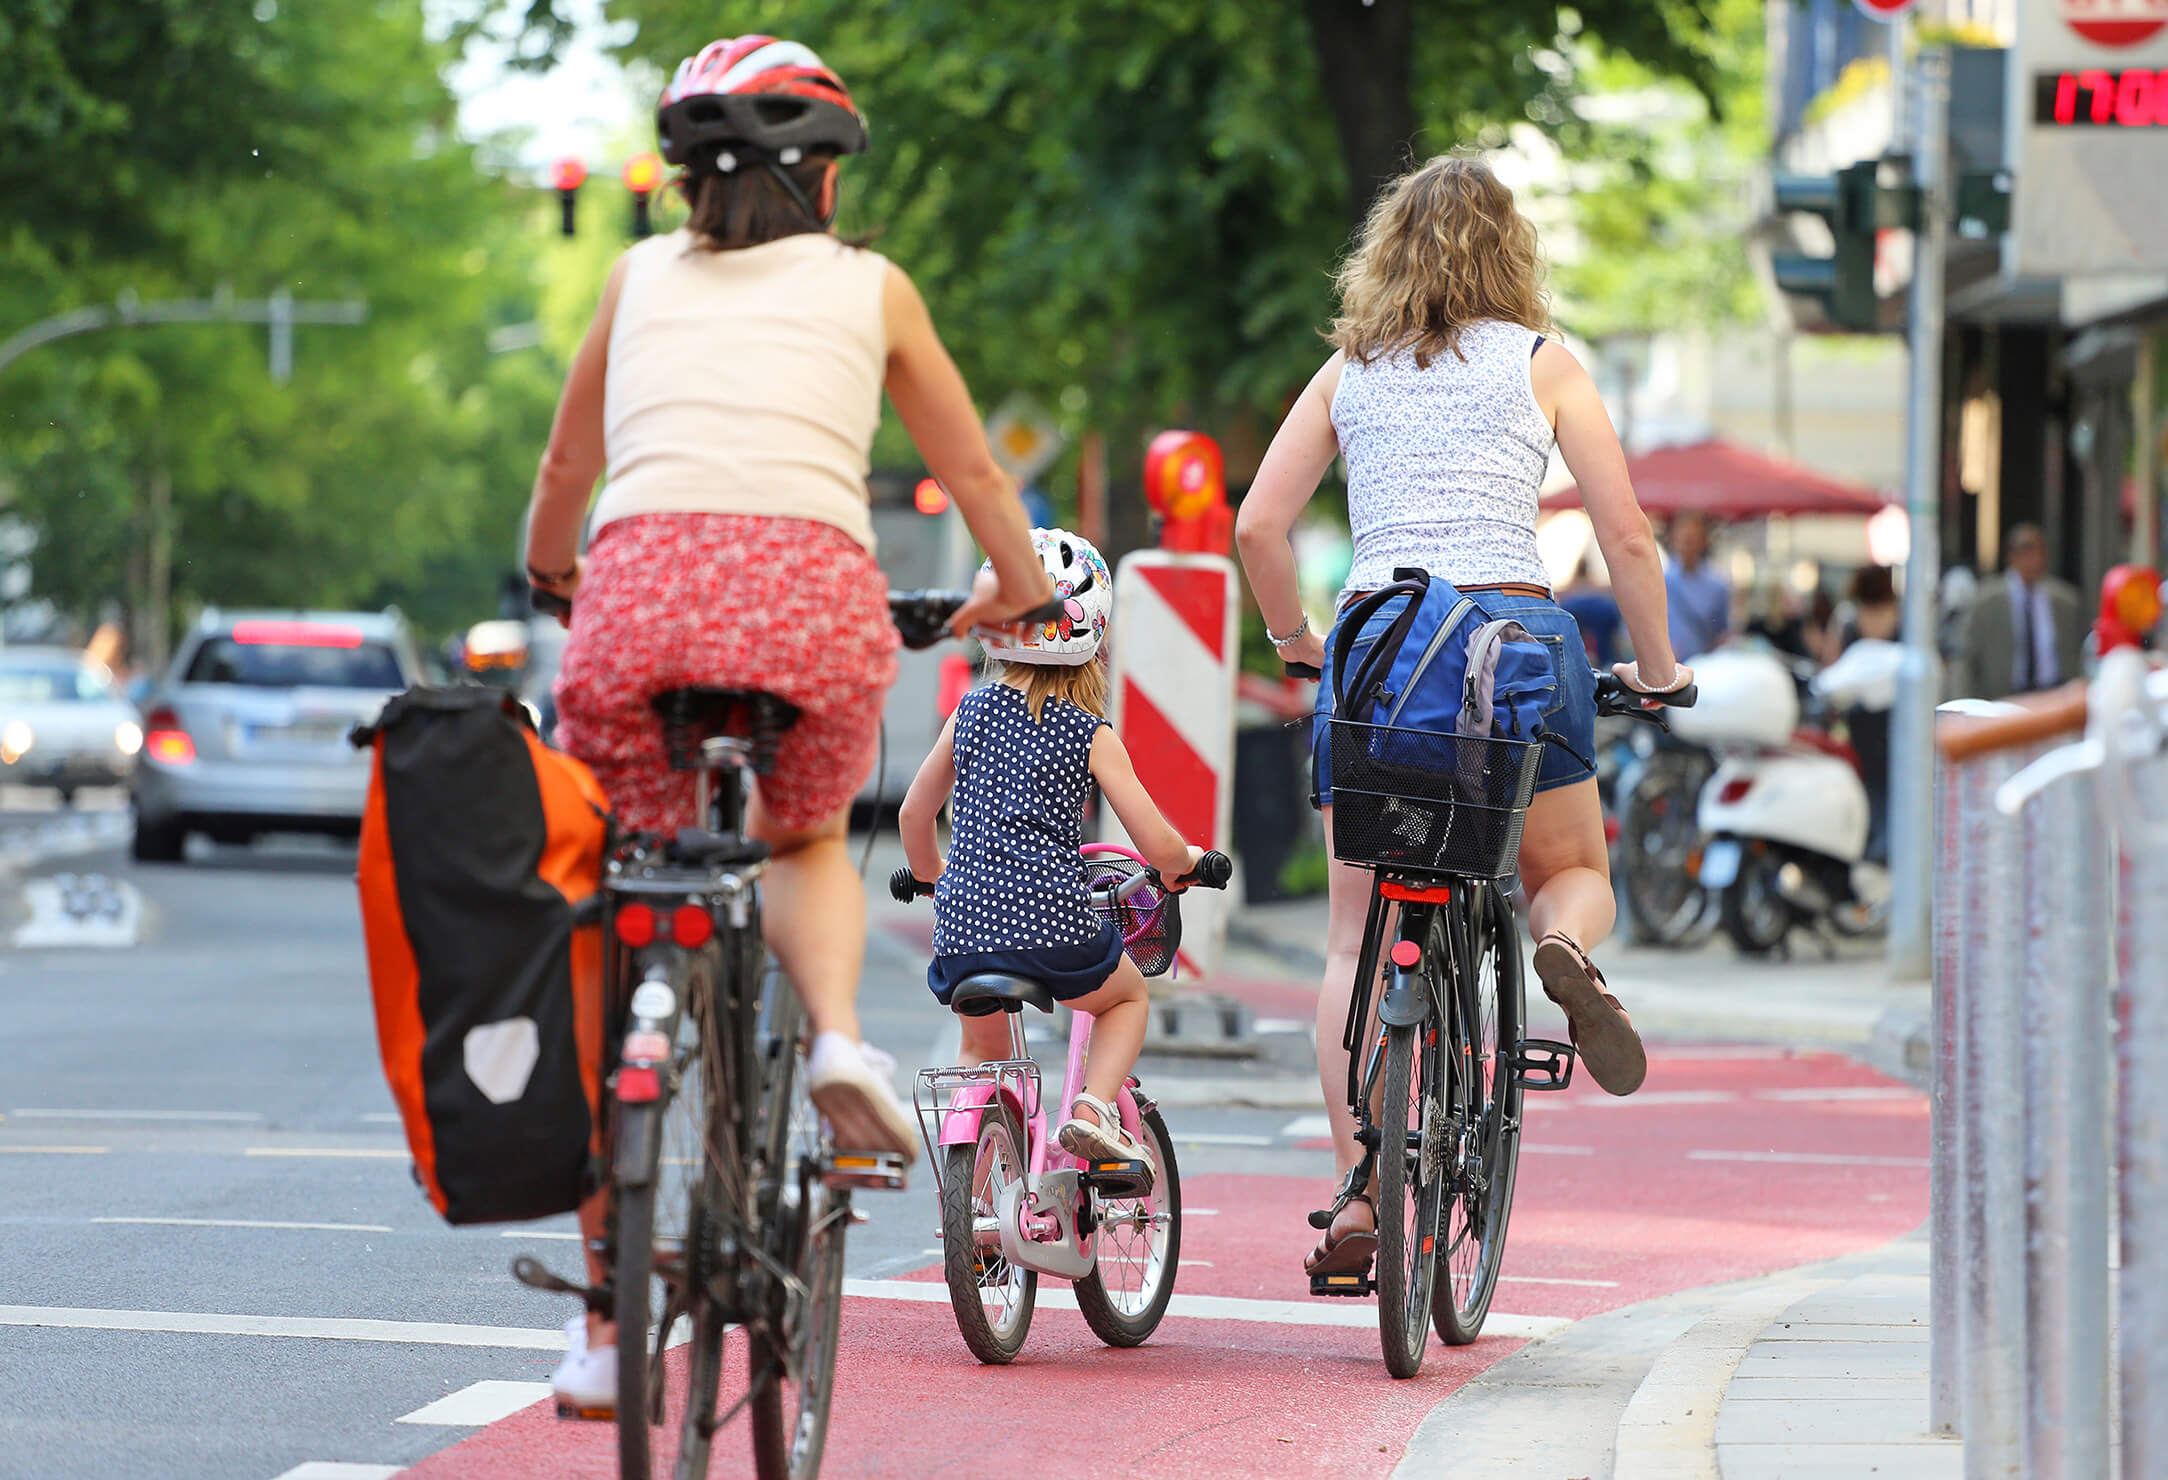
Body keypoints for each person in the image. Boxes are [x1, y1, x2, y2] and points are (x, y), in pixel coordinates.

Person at [520, 34, 1051, 1412]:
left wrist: (552, 571)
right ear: (825, 176)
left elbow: (568, 464)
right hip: (812, 602)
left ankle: (597, 1325)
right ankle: (828, 1035)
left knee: (616, 886)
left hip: (635, 600)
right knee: (806, 833)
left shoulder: (634, 278)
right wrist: (1020, 589)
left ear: (684, 180)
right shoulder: (870, 287)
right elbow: (973, 467)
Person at [1233, 154, 1689, 1281]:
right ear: (1511, 254)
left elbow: (1256, 525)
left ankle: (1357, 1198)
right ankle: (1560, 945)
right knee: (1569, 869)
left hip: (1378, 656)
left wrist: (1296, 639)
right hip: (1510, 649)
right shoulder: (1543, 364)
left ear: (1383, 254)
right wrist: (1659, 665)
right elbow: (1624, 533)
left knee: (1348, 941)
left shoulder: (1348, 370)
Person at [899, 530, 1202, 1181]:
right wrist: (1184, 862)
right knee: (1123, 1001)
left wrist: (934, 878)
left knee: (982, 1054)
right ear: (1092, 632)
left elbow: (913, 814)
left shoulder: (969, 712)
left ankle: (979, 1218)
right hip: (1053, 923)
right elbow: (1154, 842)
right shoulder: (1086, 730)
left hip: (964, 928)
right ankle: (1093, 1111)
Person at [1954, 524, 2082, 700]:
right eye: (2025, 553)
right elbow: (1966, 657)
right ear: (2012, 556)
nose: (2032, 561)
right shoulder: (1986, 601)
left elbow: (2076, 652)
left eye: (2037, 553)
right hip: (2005, 697)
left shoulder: (2066, 601)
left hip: (2052, 694)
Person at [1832, 564, 1899, 860]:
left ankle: (1873, 844)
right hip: (1895, 717)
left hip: (1861, 719)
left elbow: (1831, 665)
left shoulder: (1849, 620)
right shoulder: (1901, 617)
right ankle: (1888, 845)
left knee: (1869, 785)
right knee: (1893, 784)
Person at [1663, 510, 1732, 660]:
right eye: (1683, 538)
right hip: (1667, 667)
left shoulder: (1717, 585)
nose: (1686, 545)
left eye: (1691, 539)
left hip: (1702, 668)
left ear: (1703, 541)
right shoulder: (1660, 580)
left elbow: (1722, 633)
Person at [1558, 554, 1623, 667]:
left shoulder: (1568, 603)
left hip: (1577, 662)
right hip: (1606, 660)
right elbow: (1615, 638)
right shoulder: (1605, 603)